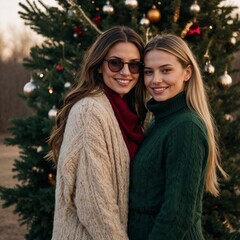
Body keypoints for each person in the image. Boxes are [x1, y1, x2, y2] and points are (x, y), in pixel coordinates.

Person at [48, 26, 147, 240]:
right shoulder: (89, 111)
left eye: (134, 65)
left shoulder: (131, 114)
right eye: (115, 63)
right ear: (99, 65)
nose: (125, 72)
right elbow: (94, 203)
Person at [127, 34, 227, 240]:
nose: (155, 80)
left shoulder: (186, 127)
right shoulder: (158, 120)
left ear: (187, 72)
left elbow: (177, 214)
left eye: (166, 70)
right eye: (148, 72)